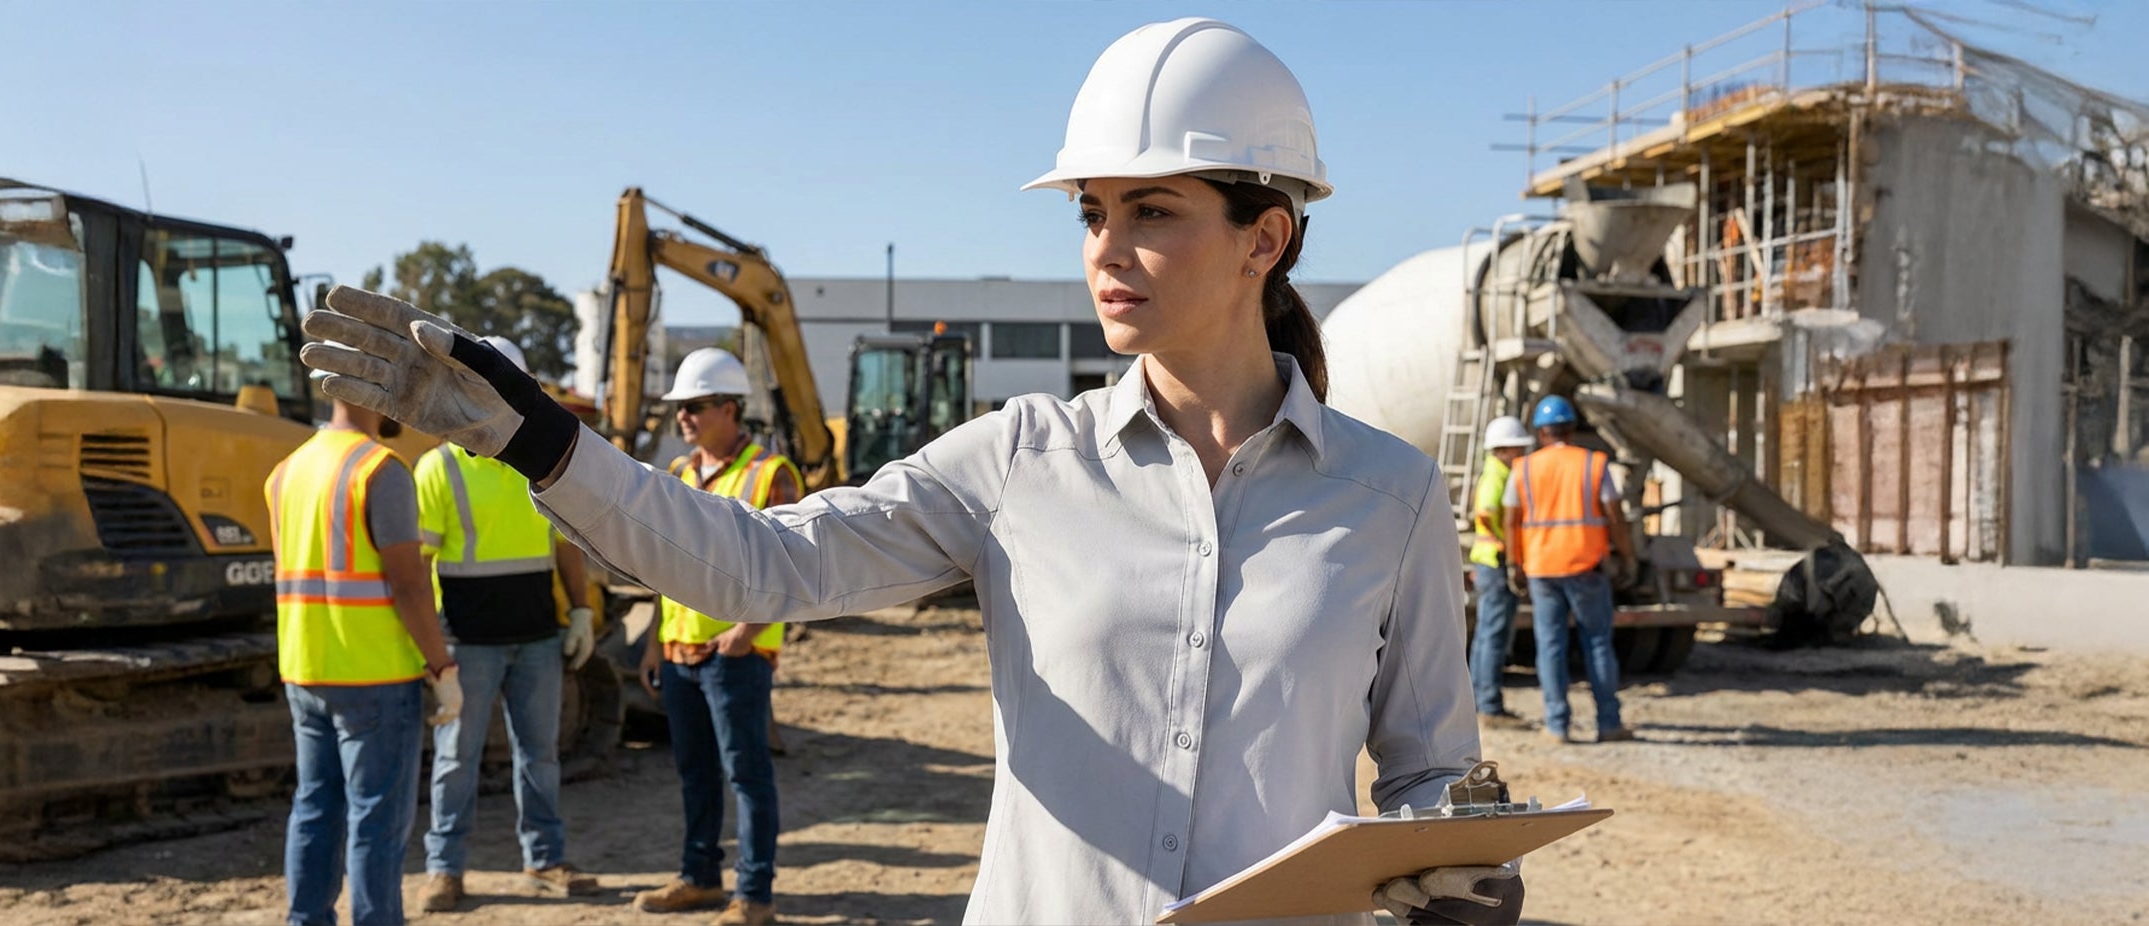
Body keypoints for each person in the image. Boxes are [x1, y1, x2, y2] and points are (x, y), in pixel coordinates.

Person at [302, 17, 1523, 925]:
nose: (1110, 248)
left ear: (1269, 234)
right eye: (1091, 212)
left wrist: (1460, 857)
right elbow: (757, 563)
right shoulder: (1017, 463)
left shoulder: (1391, 495)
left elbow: (1425, 765)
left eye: (1153, 208)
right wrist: (541, 443)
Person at [414, 336, 602, 913]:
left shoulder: (540, 462)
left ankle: (544, 858)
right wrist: (430, 649)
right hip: (468, 644)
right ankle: (444, 869)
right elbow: (418, 567)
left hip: (537, 638)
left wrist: (581, 609)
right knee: (454, 759)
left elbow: (565, 543)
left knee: (540, 755)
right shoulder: (438, 468)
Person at [267, 392, 458, 926]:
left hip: (306, 669)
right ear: (378, 394)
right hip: (374, 676)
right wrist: (443, 667)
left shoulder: (286, 470)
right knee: (376, 824)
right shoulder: (381, 470)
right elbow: (410, 586)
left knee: (314, 809)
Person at [629, 348, 805, 926]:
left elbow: (790, 567)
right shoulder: (678, 473)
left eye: (696, 407)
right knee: (696, 773)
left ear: (730, 408)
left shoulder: (771, 474)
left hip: (736, 654)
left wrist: (747, 633)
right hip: (680, 652)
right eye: (681, 408)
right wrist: (655, 641)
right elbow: (662, 565)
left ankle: (754, 896)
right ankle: (699, 877)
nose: (683, 417)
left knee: (747, 775)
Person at [1501, 395, 1638, 745]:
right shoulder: (1593, 464)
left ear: (1540, 432)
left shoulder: (1524, 468)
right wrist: (1627, 555)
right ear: (1572, 428)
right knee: (1597, 644)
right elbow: (1615, 515)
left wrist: (1515, 563)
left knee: (1550, 646)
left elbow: (1511, 520)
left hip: (1542, 568)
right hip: (1586, 566)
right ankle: (1608, 723)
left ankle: (1556, 725)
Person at [1469, 416, 1535, 729]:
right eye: (1518, 448)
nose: (1522, 453)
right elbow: (1486, 512)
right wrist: (1506, 547)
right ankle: (1489, 706)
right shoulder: (1498, 475)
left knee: (1488, 634)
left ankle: (1481, 701)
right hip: (1496, 562)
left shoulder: (1499, 471)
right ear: (1503, 449)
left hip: (1490, 561)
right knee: (1493, 635)